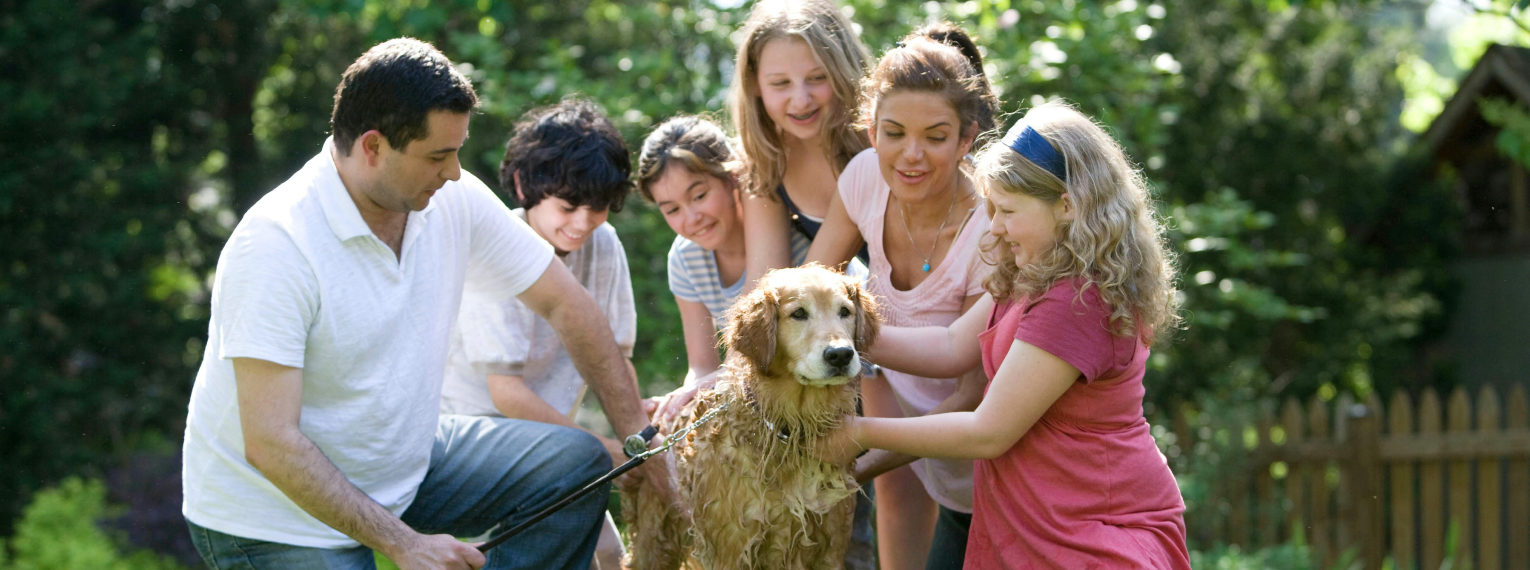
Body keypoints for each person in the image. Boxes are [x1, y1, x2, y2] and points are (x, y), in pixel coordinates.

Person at [181, 38, 669, 570]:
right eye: (439, 155)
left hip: (404, 463)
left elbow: (568, 306)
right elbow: (271, 442)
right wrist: (405, 543)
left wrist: (638, 442)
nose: (456, 171)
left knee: (575, 462)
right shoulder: (276, 244)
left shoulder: (450, 199)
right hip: (273, 516)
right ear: (373, 147)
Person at [824, 101, 1191, 569]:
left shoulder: (1078, 300)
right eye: (991, 208)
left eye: (1008, 211)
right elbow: (952, 346)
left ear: (1066, 205)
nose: (994, 226)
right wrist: (840, 332)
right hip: (1038, 519)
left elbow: (988, 431)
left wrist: (854, 433)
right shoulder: (1034, 271)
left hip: (1094, 531)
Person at [635, 115, 874, 569]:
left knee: (838, 539)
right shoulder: (685, 259)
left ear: (733, 180)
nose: (691, 218)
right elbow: (702, 364)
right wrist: (684, 401)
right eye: (671, 209)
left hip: (830, 406)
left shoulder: (799, 247)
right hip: (756, 418)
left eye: (699, 195)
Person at [805, 23, 999, 569]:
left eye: (936, 137)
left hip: (1003, 483)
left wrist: (855, 465)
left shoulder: (994, 226)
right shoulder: (866, 178)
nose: (911, 155)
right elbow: (809, 286)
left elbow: (971, 394)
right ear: (871, 130)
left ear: (967, 140)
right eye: (893, 132)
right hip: (939, 477)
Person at [439, 99, 636, 570]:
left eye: (599, 208)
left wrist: (636, 441)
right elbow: (506, 394)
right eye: (569, 207)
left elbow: (616, 360)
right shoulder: (497, 244)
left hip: (554, 448)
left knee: (611, 555)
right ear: (526, 186)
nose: (584, 223)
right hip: (475, 446)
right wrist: (601, 451)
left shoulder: (602, 245)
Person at [731, 0, 873, 288]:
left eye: (817, 78)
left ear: (844, 71)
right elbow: (763, 283)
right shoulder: (766, 162)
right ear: (755, 84)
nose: (801, 100)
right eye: (780, 84)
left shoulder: (879, 139)